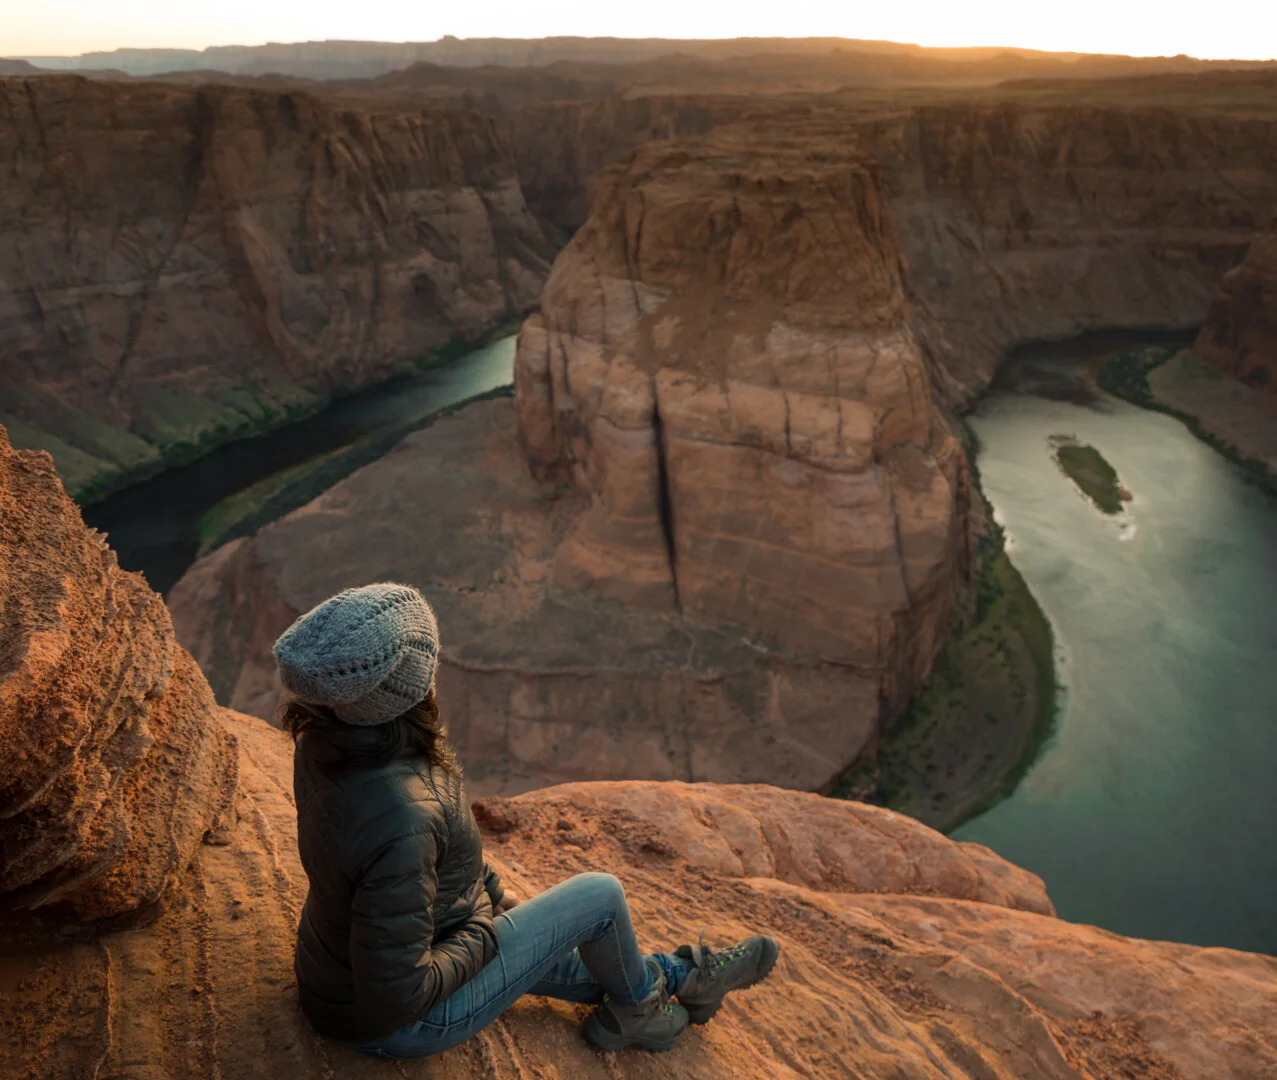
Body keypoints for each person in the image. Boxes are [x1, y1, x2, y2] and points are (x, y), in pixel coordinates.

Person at [273, 582, 780, 1059]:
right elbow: (398, 997)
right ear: (408, 688)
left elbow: (431, 862)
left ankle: (677, 978)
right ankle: (639, 1010)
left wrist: (488, 903)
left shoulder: (332, 743)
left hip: (353, 965)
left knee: (562, 941)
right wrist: (487, 929)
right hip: (398, 1023)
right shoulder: (401, 810)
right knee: (600, 896)